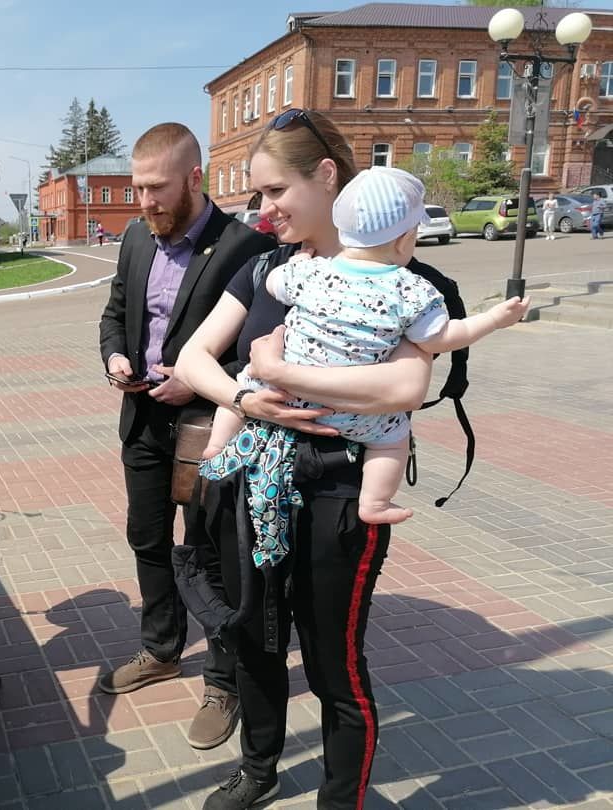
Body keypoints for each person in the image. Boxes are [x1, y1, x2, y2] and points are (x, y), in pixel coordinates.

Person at [174, 109, 443, 810]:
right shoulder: (265, 269)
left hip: (343, 488)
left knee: (334, 663)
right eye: (257, 195)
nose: (263, 211)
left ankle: (339, 800)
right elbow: (192, 357)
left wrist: (282, 378)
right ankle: (258, 771)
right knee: (256, 640)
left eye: (274, 192)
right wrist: (244, 394)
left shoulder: (399, 273)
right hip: (257, 483)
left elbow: (407, 385)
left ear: (326, 176)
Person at [201, 167, 529, 525]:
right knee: (393, 438)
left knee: (240, 388)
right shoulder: (413, 291)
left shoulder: (313, 273)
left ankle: (217, 447)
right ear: (404, 239)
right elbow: (443, 337)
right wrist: (495, 319)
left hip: (276, 393)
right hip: (352, 413)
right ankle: (375, 502)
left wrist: (297, 263)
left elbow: (275, 284)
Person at [98, 122, 274, 749]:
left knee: (212, 556)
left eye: (156, 189)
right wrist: (116, 358)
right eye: (137, 188)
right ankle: (161, 648)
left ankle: (223, 681)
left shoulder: (245, 246)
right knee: (146, 536)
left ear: (194, 179)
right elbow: (117, 312)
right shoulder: (135, 239)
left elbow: (259, 353)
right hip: (144, 419)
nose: (144, 202)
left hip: (211, 426)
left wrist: (198, 382)